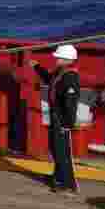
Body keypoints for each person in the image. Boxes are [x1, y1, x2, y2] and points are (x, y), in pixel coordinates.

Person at [30, 44, 81, 195]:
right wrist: (37, 67)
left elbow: (70, 103)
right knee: (55, 148)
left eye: (58, 57)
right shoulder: (61, 72)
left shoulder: (70, 77)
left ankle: (68, 184)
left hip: (62, 119)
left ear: (66, 59)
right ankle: (58, 177)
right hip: (56, 115)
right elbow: (49, 79)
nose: (56, 59)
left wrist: (67, 124)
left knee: (62, 152)